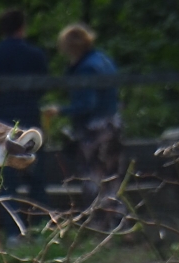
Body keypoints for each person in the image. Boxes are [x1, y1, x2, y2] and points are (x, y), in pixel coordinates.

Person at [0, 9, 48, 233]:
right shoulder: (36, 55)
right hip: (31, 121)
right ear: (22, 27)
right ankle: (41, 229)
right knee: (37, 176)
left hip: (2, 123)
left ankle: (13, 232)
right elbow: (44, 86)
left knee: (7, 179)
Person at [43, 23, 122, 218]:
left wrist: (59, 110)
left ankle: (99, 223)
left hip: (94, 130)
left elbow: (88, 104)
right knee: (112, 177)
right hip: (113, 124)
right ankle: (119, 223)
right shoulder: (104, 60)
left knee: (93, 177)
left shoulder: (86, 69)